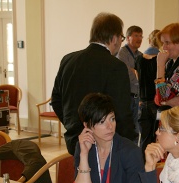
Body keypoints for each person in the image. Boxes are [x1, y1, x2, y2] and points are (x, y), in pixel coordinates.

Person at [51, 12, 136, 155]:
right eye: (121, 38)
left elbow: (56, 100)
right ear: (114, 38)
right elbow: (121, 112)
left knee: (80, 175)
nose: (120, 42)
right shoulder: (116, 66)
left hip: (75, 140)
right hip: (105, 144)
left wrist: (73, 126)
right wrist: (129, 142)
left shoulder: (68, 60)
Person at [73, 93, 147, 183]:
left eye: (112, 119)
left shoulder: (130, 152)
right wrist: (84, 155)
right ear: (87, 125)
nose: (110, 126)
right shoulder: (83, 147)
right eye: (102, 122)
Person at [136, 29, 160, 158]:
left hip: (142, 102)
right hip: (156, 103)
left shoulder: (139, 59)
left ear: (149, 41)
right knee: (156, 139)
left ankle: (141, 166)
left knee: (144, 140)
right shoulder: (160, 60)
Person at [117, 25, 143, 143]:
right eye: (136, 35)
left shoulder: (141, 55)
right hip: (127, 97)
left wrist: (135, 72)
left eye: (141, 36)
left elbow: (143, 75)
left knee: (136, 130)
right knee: (125, 129)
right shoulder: (121, 53)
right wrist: (136, 73)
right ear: (128, 38)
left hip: (138, 97)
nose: (139, 39)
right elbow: (127, 74)